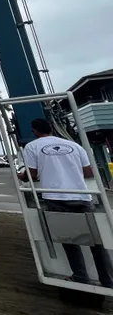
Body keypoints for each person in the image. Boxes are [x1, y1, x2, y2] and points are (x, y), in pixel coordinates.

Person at [19, 118, 113, 288]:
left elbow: (32, 175)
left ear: (34, 131)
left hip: (56, 198)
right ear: (52, 129)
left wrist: (22, 176)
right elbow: (88, 172)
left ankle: (80, 277)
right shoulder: (75, 146)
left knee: (70, 240)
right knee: (97, 242)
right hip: (82, 196)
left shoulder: (32, 147)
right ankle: (108, 280)